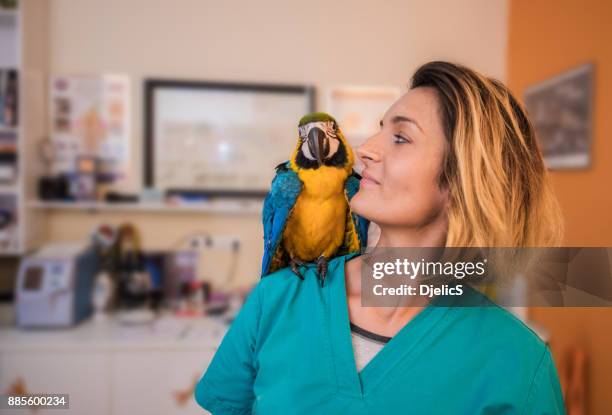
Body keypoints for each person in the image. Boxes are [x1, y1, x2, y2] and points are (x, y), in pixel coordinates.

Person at [194, 61, 566, 414]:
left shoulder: (518, 362)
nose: (366, 149)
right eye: (380, 128)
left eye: (400, 137)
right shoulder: (275, 300)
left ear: (462, 182)